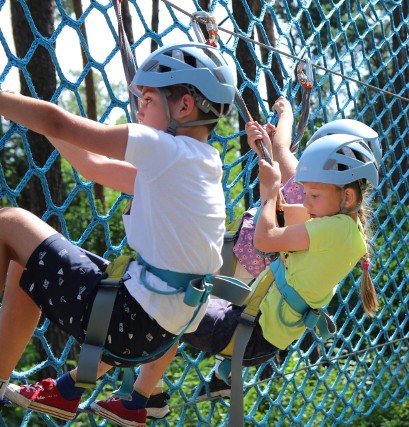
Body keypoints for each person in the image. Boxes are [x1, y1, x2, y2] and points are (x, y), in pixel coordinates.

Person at [0, 41, 236, 426]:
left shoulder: (164, 150)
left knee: (10, 221)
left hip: (124, 321)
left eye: (146, 99)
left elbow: (61, 123)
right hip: (154, 335)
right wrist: (33, 121)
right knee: (25, 263)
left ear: (184, 107)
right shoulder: (200, 167)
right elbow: (92, 164)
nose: (138, 108)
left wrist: (6, 101)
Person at [128, 100, 382, 418]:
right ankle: (200, 379)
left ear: (346, 195)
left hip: (252, 327)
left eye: (314, 194)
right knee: (177, 298)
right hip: (256, 319)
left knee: (165, 303)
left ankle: (143, 395)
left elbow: (266, 235)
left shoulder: (333, 227)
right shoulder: (340, 224)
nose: (308, 198)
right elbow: (281, 208)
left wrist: (269, 189)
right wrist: (269, 174)